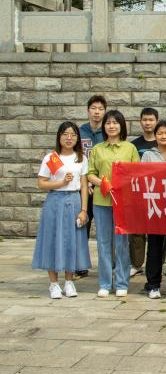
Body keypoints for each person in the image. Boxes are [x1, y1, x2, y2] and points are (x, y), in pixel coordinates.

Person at [32, 122, 91, 299]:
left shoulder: (81, 158)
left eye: (73, 134)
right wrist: (61, 182)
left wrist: (83, 210)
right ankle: (54, 284)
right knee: (53, 239)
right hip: (55, 201)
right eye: (65, 134)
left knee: (72, 241)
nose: (69, 138)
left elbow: (83, 185)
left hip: (74, 201)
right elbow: (41, 183)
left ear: (77, 138)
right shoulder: (51, 158)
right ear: (59, 137)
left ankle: (69, 282)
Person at [87, 110, 140, 297]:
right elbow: (90, 173)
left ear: (121, 126)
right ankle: (104, 283)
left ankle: (122, 282)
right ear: (104, 126)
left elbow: (136, 173)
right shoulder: (97, 149)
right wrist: (103, 184)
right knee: (103, 243)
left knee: (122, 243)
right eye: (108, 123)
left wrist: (123, 184)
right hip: (101, 202)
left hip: (123, 203)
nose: (111, 126)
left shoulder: (130, 148)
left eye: (115, 123)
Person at [140, 120, 166, 299]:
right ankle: (153, 284)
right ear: (155, 136)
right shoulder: (148, 155)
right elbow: (141, 178)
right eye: (160, 133)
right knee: (155, 247)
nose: (163, 136)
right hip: (155, 206)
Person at [76, 94, 106, 277]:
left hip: (103, 186)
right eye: (93, 108)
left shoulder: (108, 131)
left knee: (105, 228)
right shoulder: (80, 132)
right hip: (83, 187)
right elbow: (75, 159)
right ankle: (80, 263)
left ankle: (108, 264)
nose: (97, 112)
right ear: (88, 111)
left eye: (100, 109)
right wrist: (85, 182)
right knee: (82, 226)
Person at [129, 107, 159, 277]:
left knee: (158, 229)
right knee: (137, 230)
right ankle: (136, 263)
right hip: (139, 191)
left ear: (156, 121)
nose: (148, 123)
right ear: (140, 122)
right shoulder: (134, 145)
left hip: (158, 191)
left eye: (151, 120)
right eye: (145, 120)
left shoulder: (163, 141)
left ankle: (158, 262)